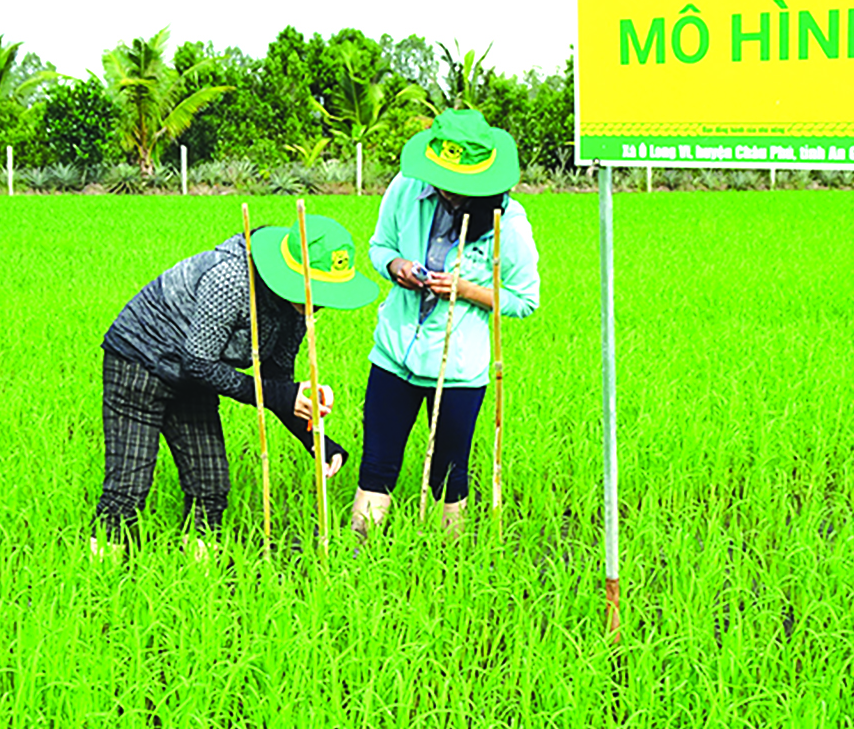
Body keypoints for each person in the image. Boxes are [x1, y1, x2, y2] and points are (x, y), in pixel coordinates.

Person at [93, 214, 379, 549]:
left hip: (193, 376)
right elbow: (200, 362)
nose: (319, 304)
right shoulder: (231, 279)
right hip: (139, 363)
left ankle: (199, 570)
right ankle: (102, 573)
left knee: (210, 484)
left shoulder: (297, 310)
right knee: (128, 486)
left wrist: (315, 439)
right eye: (315, 291)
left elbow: (276, 382)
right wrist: (280, 395)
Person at [352, 109, 540, 538]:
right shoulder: (406, 189)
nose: (447, 192)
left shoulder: (507, 225)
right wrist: (396, 265)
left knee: (448, 475)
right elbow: (379, 246)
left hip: (456, 369)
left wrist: (466, 289)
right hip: (394, 353)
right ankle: (357, 558)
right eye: (441, 180)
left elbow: (525, 299)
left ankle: (448, 567)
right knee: (376, 465)